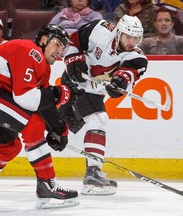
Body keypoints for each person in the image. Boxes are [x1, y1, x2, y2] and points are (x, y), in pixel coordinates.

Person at [0, 24, 84, 209]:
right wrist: (62, 93)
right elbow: (27, 99)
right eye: (58, 44)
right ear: (44, 40)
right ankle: (47, 185)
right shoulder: (31, 51)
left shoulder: (43, 69)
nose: (60, 52)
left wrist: (60, 129)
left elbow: (42, 104)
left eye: (63, 48)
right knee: (33, 125)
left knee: (9, 146)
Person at [59, 15, 148, 195]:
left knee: (60, 128)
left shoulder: (138, 58)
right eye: (128, 37)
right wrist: (73, 58)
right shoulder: (99, 29)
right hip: (73, 82)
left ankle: (92, 174)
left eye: (136, 38)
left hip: (93, 93)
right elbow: (73, 41)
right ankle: (93, 174)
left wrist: (120, 83)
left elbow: (129, 73)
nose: (131, 42)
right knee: (98, 119)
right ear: (118, 33)